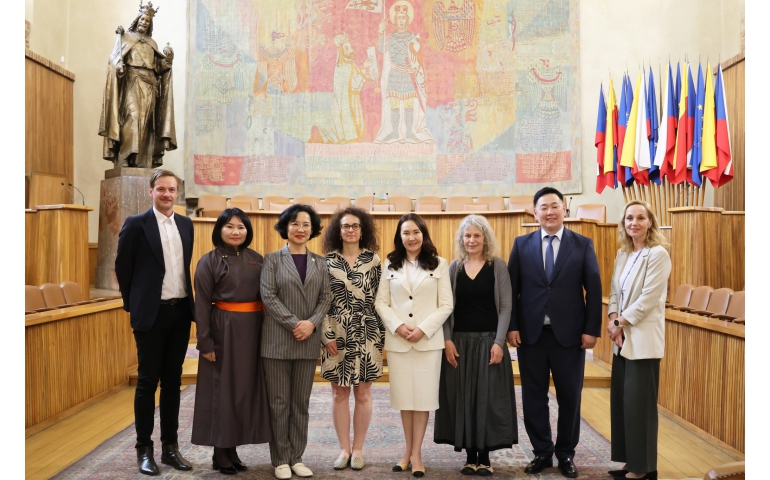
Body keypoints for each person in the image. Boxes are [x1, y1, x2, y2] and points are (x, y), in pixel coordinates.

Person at [506, 187, 602, 479]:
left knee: (570, 396)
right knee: (533, 396)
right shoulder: (521, 245)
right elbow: (511, 291)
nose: (549, 212)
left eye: (554, 206)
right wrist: (512, 326)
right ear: (535, 212)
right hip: (531, 335)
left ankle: (566, 454)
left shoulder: (582, 244)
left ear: (564, 209)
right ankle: (542, 452)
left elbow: (593, 290)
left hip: (570, 336)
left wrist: (591, 330)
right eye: (543, 207)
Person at [114, 169, 194, 475]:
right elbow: (123, 269)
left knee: (173, 381)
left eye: (172, 190)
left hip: (180, 312)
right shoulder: (136, 224)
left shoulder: (186, 224)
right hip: (150, 314)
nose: (167, 194)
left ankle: (170, 448)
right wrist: (134, 306)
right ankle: (144, 449)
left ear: (177, 193)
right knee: (147, 382)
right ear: (151, 192)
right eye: (161, 189)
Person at [191, 208, 273, 474]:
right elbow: (202, 304)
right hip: (223, 330)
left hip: (253, 330)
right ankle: (220, 451)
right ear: (219, 230)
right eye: (229, 226)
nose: (236, 232)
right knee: (222, 391)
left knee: (244, 391)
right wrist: (205, 341)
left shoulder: (257, 259)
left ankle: (233, 448)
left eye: (241, 227)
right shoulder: (209, 261)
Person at [434, 215, 517, 476]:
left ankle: (485, 457)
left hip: (489, 342)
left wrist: (499, 342)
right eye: (467, 235)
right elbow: (446, 307)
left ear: (485, 238)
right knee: (464, 399)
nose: (472, 240)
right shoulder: (454, 267)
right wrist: (447, 340)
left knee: (488, 399)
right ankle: (470, 456)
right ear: (462, 239)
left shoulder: (497, 266)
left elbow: (506, 307)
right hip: (460, 343)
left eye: (477, 235)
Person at [375, 213, 453, 478]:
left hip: (427, 343)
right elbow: (381, 302)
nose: (411, 237)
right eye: (406, 233)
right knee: (405, 400)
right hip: (399, 342)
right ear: (400, 236)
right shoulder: (390, 263)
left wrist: (423, 329)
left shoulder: (439, 264)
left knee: (423, 400)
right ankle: (407, 452)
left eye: (416, 232)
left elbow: (446, 305)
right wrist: (397, 326)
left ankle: (416, 453)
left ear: (423, 234)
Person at [261, 204, 332, 480]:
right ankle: (280, 458)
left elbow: (325, 298)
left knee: (300, 403)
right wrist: (295, 324)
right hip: (277, 342)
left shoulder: (320, 262)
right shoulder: (272, 259)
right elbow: (268, 296)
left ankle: (297, 457)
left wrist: (311, 323)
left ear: (312, 229)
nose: (300, 229)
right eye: (294, 223)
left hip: (307, 342)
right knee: (279, 403)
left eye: (306, 224)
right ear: (285, 227)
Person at [606, 201, 671, 480]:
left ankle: (644, 468)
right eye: (629, 218)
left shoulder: (658, 254)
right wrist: (613, 316)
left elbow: (648, 299)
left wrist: (619, 323)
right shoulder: (623, 253)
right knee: (623, 403)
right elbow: (614, 291)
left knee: (639, 406)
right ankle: (630, 461)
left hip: (642, 340)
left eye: (640, 218)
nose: (634, 222)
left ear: (650, 222)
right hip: (621, 339)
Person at [320, 207, 383, 471]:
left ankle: (358, 450)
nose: (350, 230)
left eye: (355, 226)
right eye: (345, 226)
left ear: (362, 229)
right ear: (338, 230)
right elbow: (321, 301)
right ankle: (344, 449)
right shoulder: (326, 261)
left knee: (364, 392)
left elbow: (381, 299)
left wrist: (380, 336)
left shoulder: (373, 260)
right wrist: (326, 334)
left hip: (367, 330)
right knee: (339, 393)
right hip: (335, 330)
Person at [99, 1, 176, 168]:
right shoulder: (125, 38)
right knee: (132, 117)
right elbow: (114, 60)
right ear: (137, 19)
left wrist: (168, 60)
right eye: (142, 19)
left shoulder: (152, 43)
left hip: (150, 86)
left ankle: (140, 161)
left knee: (146, 123)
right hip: (132, 83)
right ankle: (124, 157)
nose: (144, 22)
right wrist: (119, 68)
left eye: (147, 21)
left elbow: (158, 67)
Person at [374, 1, 434, 144]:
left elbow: (417, 57)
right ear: (395, 20)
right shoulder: (391, 37)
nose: (401, 20)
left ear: (407, 20)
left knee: (409, 104)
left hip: (408, 75)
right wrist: (380, 32)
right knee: (394, 103)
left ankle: (409, 133)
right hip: (395, 75)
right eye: (398, 18)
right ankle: (395, 132)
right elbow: (381, 50)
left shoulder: (412, 38)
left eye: (403, 18)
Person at [309, 33, 376, 144]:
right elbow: (355, 85)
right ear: (341, 51)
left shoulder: (351, 65)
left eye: (351, 47)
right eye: (347, 48)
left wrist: (368, 76)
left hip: (353, 100)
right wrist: (364, 68)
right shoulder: (342, 67)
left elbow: (357, 82)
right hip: (346, 103)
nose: (351, 50)